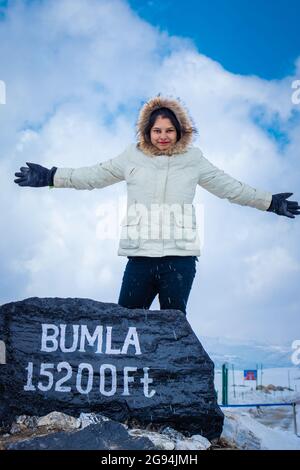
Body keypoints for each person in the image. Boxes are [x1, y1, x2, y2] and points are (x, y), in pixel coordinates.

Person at [14, 95, 300, 315]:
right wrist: (51, 176)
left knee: (173, 328)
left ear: (179, 132)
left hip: (179, 260)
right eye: (157, 130)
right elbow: (93, 175)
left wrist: (270, 203)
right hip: (139, 259)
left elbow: (231, 188)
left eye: (169, 130)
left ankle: (174, 391)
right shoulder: (132, 157)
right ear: (147, 132)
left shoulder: (194, 160)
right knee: (125, 325)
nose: (163, 136)